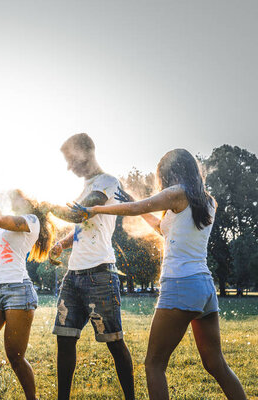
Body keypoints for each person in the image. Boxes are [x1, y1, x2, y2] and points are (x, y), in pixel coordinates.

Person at [68, 148, 247, 400]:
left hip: (180, 286)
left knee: (154, 365)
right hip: (205, 288)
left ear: (171, 172)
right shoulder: (207, 201)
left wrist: (97, 209)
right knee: (216, 363)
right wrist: (132, 201)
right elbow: (163, 229)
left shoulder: (176, 193)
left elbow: (135, 208)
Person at [45, 133, 135, 400]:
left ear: (86, 152)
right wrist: (62, 243)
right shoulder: (84, 187)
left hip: (100, 275)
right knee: (64, 339)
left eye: (71, 160)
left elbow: (78, 213)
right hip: (73, 276)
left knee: (114, 342)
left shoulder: (107, 183)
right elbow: (82, 228)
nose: (69, 167)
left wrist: (44, 206)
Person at [0, 190, 56, 400]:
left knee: (15, 357)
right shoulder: (3, 224)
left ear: (27, 201)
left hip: (19, 291)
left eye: (16, 195)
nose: (9, 197)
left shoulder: (31, 220)